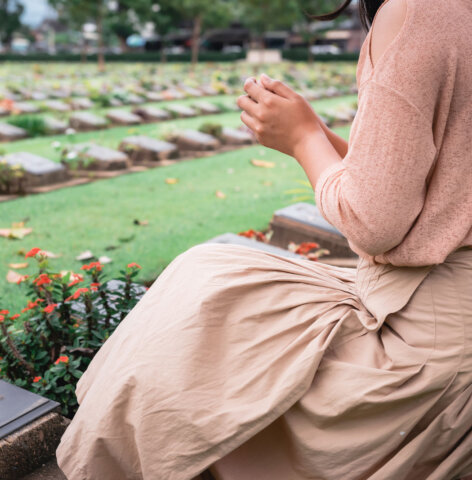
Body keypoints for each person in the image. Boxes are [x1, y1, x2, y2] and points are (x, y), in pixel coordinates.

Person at [56, 0, 472, 477]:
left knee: (200, 298)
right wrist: (314, 130)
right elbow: (423, 185)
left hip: (421, 353)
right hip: (447, 324)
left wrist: (300, 141)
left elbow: (374, 222)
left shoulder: (417, 11)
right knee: (210, 276)